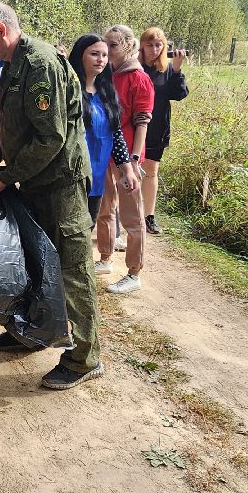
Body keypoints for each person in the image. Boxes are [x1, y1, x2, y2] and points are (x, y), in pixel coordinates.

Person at [0, 1, 102, 391]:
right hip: (36, 184)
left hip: (61, 187)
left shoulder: (39, 65)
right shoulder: (11, 66)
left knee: (72, 270)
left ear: (1, 30)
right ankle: (32, 333)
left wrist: (7, 176)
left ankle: (85, 356)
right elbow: (8, 132)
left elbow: (51, 138)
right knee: (39, 265)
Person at [95, 24, 153, 293]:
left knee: (132, 216)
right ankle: (105, 258)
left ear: (129, 46)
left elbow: (142, 120)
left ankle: (134, 273)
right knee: (105, 209)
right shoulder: (106, 75)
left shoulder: (138, 78)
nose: (107, 50)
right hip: (105, 153)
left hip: (127, 158)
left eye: (113, 45)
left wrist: (134, 157)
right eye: (105, 45)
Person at [69, 34, 136, 225]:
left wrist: (127, 170)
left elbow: (116, 134)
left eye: (105, 55)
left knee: (87, 229)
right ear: (80, 55)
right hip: (70, 179)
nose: (101, 59)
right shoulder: (68, 90)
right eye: (94, 54)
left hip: (97, 178)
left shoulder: (107, 93)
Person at [137, 27, 190, 234]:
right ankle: (123, 218)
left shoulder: (167, 68)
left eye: (158, 45)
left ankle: (149, 216)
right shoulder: (134, 67)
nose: (154, 49)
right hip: (133, 127)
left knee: (151, 172)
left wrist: (177, 70)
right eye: (149, 45)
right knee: (127, 172)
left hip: (157, 128)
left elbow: (179, 94)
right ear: (142, 45)